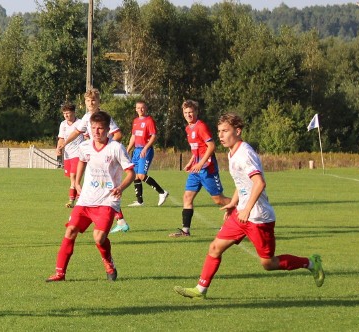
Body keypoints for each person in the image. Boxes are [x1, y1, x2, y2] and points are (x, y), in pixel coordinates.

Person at [173, 113, 324, 299]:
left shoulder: (244, 154)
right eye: (219, 131)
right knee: (215, 248)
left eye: (225, 131)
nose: (220, 135)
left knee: (268, 263)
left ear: (238, 131)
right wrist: (234, 204)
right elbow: (242, 182)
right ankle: (200, 290)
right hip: (241, 215)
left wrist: (246, 209)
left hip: (258, 217)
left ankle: (310, 263)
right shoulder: (232, 152)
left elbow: (259, 183)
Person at [46, 111, 135, 282]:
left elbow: (130, 173)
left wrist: (121, 187)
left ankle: (108, 262)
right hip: (86, 198)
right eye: (93, 128)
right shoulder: (86, 146)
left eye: (100, 128)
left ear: (108, 129)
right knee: (70, 230)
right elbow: (82, 160)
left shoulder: (116, 148)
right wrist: (77, 182)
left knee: (99, 237)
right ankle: (60, 273)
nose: (96, 132)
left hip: (107, 200)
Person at [56, 88, 130, 234]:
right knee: (99, 188)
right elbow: (77, 131)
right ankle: (120, 220)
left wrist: (106, 148)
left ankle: (77, 217)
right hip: (92, 157)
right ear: (85, 102)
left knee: (102, 189)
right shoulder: (86, 117)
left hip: (104, 159)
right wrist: (64, 144)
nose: (91, 103)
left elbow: (118, 134)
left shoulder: (103, 117)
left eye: (94, 100)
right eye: (88, 100)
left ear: (99, 101)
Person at [170, 100, 227, 237]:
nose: (188, 115)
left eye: (190, 112)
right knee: (187, 197)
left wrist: (200, 163)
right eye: (185, 112)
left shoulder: (201, 126)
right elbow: (196, 149)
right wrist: (191, 161)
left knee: (218, 199)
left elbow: (211, 146)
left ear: (196, 112)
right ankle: (185, 231)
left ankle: (240, 210)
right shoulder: (188, 128)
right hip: (196, 169)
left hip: (207, 168)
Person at [126, 100, 169, 208]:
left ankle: (162, 192)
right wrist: (127, 150)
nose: (140, 110)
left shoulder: (149, 121)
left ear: (146, 108)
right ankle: (140, 201)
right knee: (135, 176)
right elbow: (133, 137)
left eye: (142, 108)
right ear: (135, 109)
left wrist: (145, 148)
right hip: (136, 150)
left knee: (141, 175)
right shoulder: (135, 121)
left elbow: (154, 136)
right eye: (138, 108)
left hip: (146, 150)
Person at [56, 102, 84, 208]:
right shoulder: (63, 124)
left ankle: (73, 200)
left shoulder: (80, 123)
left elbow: (86, 137)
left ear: (73, 112)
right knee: (72, 179)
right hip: (68, 155)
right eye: (64, 113)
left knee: (73, 177)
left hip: (78, 154)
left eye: (68, 113)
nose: (66, 115)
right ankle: (78, 199)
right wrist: (59, 148)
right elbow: (61, 139)